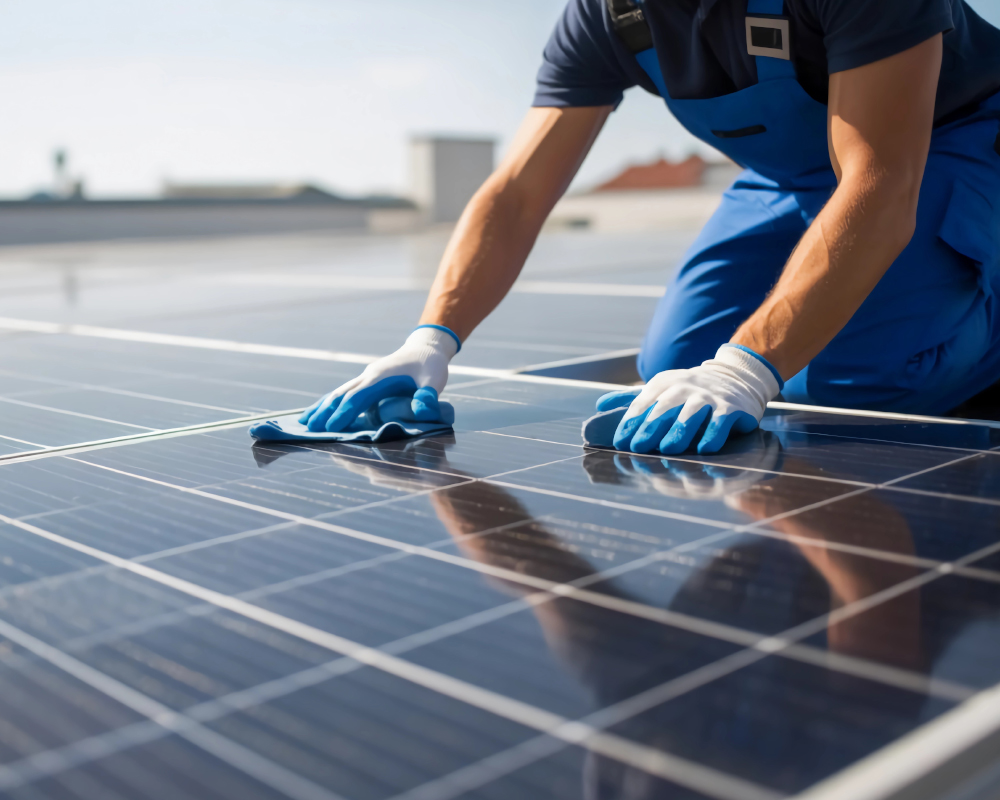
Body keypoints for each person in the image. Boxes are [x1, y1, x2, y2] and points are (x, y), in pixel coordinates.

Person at [301, 0, 1000, 455]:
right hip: (790, 173)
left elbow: (880, 184)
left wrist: (747, 367)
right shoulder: (606, 16)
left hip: (948, 147)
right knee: (673, 368)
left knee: (864, 384)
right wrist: (432, 338)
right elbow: (516, 194)